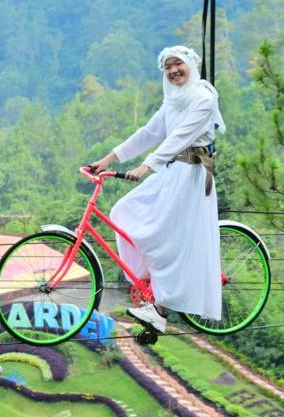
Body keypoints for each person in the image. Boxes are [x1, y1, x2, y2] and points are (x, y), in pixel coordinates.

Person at [90, 45, 226, 333]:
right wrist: (108, 158)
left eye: (179, 64)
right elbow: (148, 133)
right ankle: (150, 287)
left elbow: (180, 137)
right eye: (168, 67)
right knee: (123, 210)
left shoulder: (203, 98)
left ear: (190, 65)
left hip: (193, 173)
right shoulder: (173, 100)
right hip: (173, 169)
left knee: (160, 234)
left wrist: (146, 167)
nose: (174, 71)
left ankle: (159, 307)